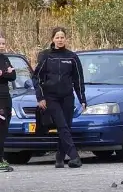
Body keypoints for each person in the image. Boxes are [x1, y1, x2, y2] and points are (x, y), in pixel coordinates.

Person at [32, 27, 86, 168]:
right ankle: (75, 157)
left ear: (65, 39)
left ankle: (60, 158)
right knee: (62, 125)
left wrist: (82, 99)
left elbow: (78, 80)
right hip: (51, 97)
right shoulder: (46, 56)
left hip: (67, 96)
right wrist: (40, 97)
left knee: (66, 127)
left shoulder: (72, 57)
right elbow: (36, 77)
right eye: (57, 37)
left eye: (62, 37)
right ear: (53, 39)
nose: (60, 40)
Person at [0, 33, 15, 172]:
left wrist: (3, 73)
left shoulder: (5, 58)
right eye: (0, 43)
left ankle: (1, 158)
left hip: (6, 97)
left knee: (4, 128)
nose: (1, 46)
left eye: (3, 43)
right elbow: (8, 73)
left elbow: (13, 75)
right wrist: (7, 72)